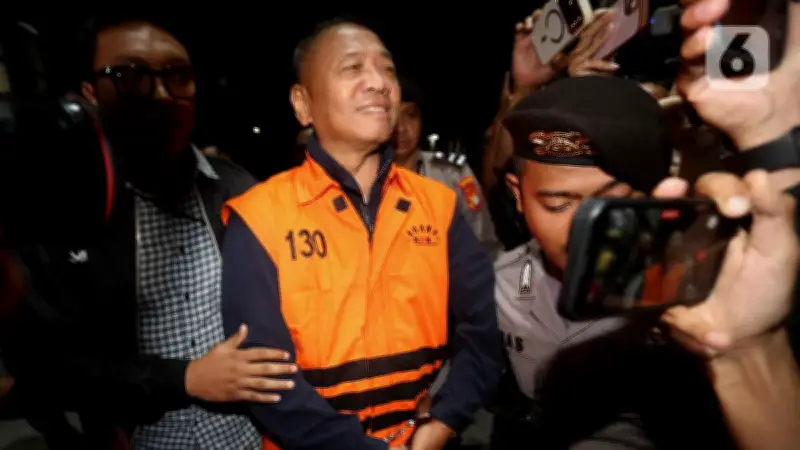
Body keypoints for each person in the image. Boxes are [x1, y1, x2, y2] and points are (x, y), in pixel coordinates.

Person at [2, 17, 295, 450]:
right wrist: (184, 378)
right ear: (89, 92)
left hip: (247, 437)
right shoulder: (63, 208)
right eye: (130, 76)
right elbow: (46, 365)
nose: (161, 94)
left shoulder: (238, 189)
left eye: (178, 76)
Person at [221, 18, 502, 449]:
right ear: (303, 103)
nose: (379, 83)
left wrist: (443, 421)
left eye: (388, 70)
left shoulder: (439, 206)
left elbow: (481, 334)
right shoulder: (258, 217)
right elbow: (264, 379)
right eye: (352, 68)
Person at [492, 75, 673, 449]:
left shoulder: (687, 295)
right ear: (518, 195)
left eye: (612, 203)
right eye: (558, 204)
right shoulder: (504, 284)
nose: (585, 230)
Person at [394, 75, 502, 259]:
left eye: (410, 115)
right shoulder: (363, 176)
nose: (401, 128)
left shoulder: (452, 173)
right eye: (392, 117)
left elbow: (482, 239)